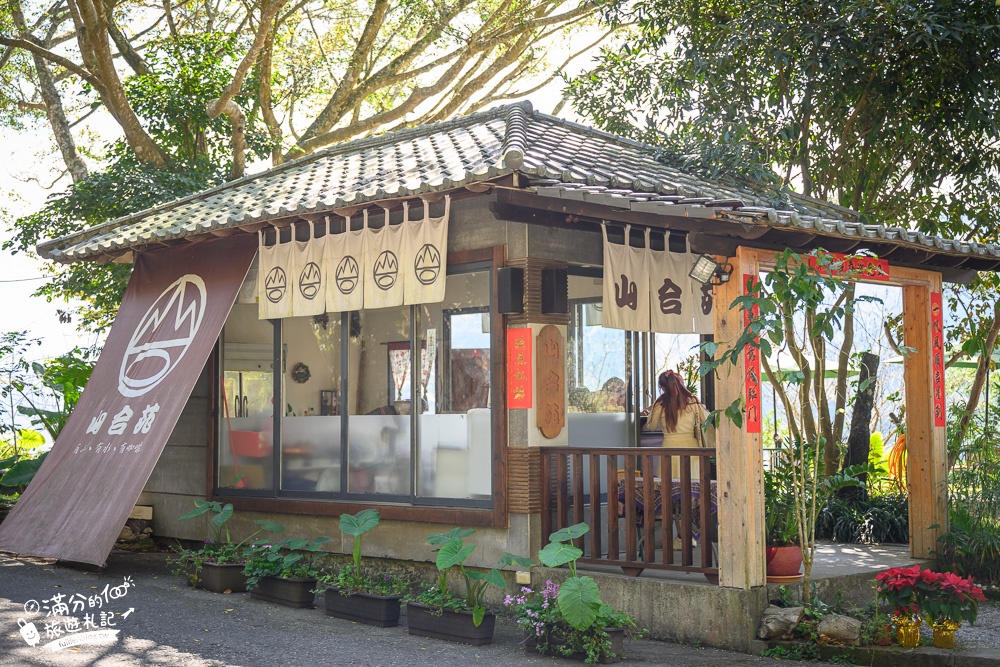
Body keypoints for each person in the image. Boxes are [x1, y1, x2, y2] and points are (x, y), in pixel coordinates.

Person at [644, 370, 714, 479]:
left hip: (668, 447)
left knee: (668, 486)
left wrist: (651, 411)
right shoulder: (692, 401)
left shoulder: (660, 404)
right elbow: (707, 419)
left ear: (663, 388)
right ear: (680, 383)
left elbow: (651, 426)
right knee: (692, 484)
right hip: (691, 448)